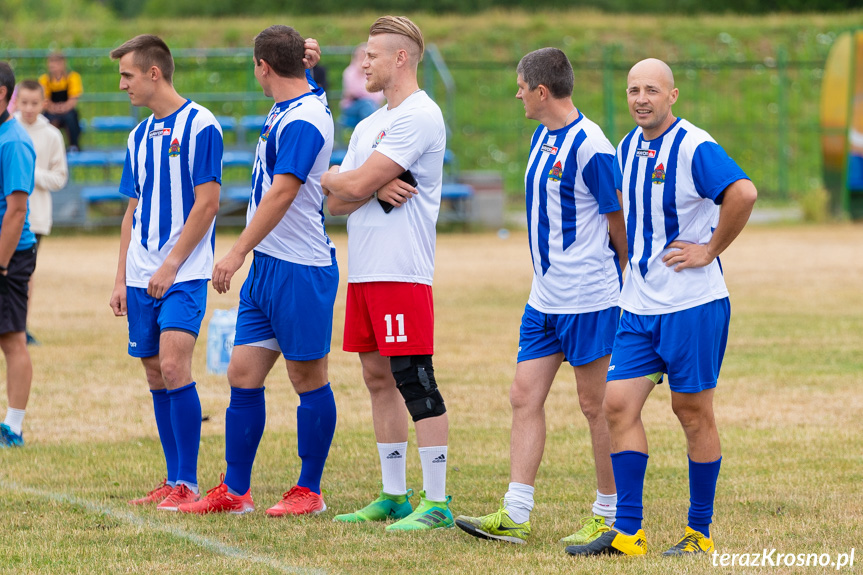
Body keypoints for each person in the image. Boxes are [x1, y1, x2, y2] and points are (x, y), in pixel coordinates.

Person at [565, 58, 757, 558]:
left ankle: (699, 532)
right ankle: (629, 534)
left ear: (672, 96)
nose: (641, 98)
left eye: (651, 89)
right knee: (615, 405)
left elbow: (743, 192)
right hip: (638, 305)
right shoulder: (628, 146)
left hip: (692, 305)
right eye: (633, 90)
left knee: (692, 413)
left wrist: (710, 249)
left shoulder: (694, 145)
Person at [454, 48, 627, 545]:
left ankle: (608, 513)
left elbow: (619, 225)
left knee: (596, 407)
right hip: (544, 298)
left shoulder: (592, 146)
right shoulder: (539, 137)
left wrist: (619, 286)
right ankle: (516, 513)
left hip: (589, 298)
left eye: (521, 86)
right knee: (523, 395)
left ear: (542, 91)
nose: (517, 93)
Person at [179, 26, 339, 518]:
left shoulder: (305, 118)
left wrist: (235, 252)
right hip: (271, 267)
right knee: (242, 374)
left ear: (262, 66)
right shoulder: (295, 101)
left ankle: (309, 490)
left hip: (301, 268)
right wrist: (305, 61)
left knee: (307, 377)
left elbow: (284, 192)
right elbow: (302, 80)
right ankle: (236, 489)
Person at [321, 15, 452, 532]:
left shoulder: (420, 116)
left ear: (401, 58)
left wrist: (354, 181)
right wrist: (365, 187)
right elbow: (332, 197)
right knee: (377, 379)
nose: (363, 63)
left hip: (402, 271)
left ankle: (437, 503)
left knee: (415, 381)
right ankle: (394, 495)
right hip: (366, 272)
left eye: (371, 55)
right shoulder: (367, 124)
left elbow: (348, 179)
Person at [108, 35, 224, 511]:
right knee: (156, 374)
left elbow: (209, 202)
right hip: (139, 275)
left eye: (127, 76)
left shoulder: (201, 125)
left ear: (154, 73)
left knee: (176, 366)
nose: (122, 86)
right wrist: (120, 277)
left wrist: (171, 264)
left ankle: (189, 485)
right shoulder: (138, 136)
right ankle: (173, 477)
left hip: (185, 270)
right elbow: (130, 212)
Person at [13, 80, 69, 346]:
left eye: (34, 103)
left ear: (43, 103)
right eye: (23, 102)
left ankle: (20, 326)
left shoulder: (51, 135)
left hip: (35, 217)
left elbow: (59, 178)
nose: (28, 108)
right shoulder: (8, 128)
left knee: (25, 274)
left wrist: (28, 172)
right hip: (7, 213)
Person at [0, 63, 38, 448]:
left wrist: (1, 262)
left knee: (12, 339)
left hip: (10, 252)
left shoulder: (13, 141)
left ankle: (13, 426)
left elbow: (16, 210)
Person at [38, 52, 83, 151]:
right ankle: (49, 146)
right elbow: (45, 99)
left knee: (71, 118)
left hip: (67, 109)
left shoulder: (72, 77)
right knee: (47, 120)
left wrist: (63, 108)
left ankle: (73, 145)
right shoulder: (45, 79)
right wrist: (53, 108)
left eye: (56, 63)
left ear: (63, 64)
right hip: (52, 110)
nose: (53, 67)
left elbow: (73, 99)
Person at [339, 43, 385, 131]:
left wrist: (364, 94)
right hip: (352, 106)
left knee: (367, 107)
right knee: (367, 105)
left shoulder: (375, 73)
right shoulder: (350, 72)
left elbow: (379, 96)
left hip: (371, 105)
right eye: (360, 56)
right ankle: (373, 133)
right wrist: (360, 73)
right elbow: (352, 92)